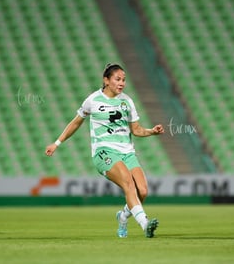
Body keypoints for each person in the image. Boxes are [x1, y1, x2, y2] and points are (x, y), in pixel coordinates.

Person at [45, 63, 163, 238]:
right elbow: (76, 122)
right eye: (117, 79)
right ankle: (145, 224)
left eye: (123, 80)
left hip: (127, 153)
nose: (121, 83)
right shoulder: (93, 100)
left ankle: (122, 217)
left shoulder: (127, 101)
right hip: (104, 152)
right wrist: (57, 143)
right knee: (128, 184)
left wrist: (151, 132)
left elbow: (136, 130)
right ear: (106, 80)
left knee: (143, 191)